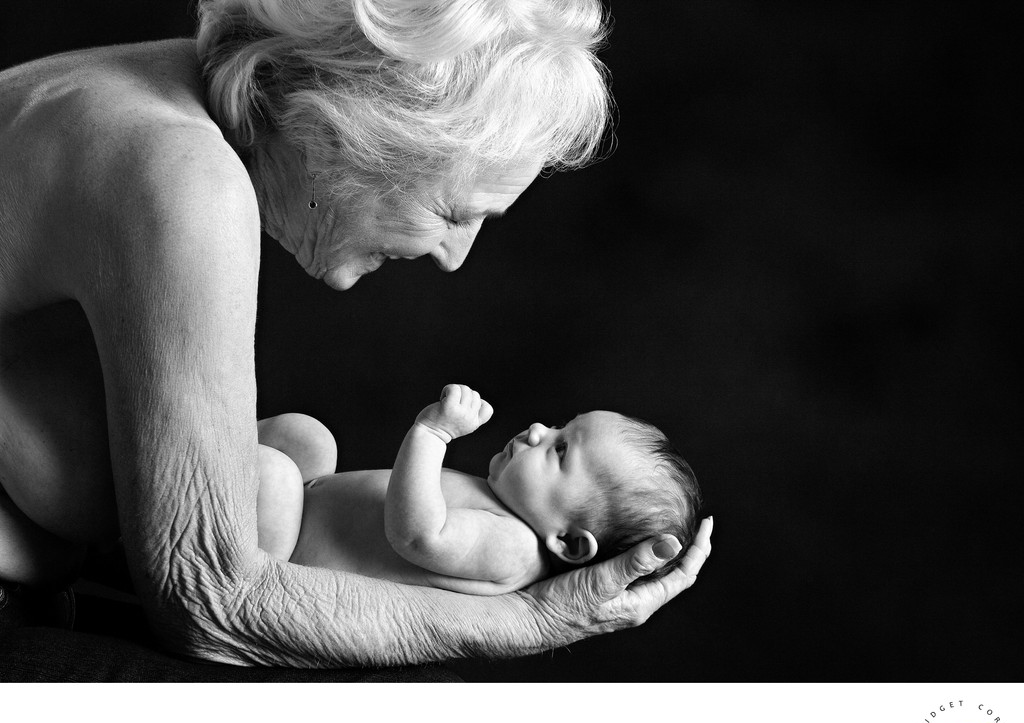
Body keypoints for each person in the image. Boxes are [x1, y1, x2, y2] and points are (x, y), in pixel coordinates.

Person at [0, 0, 711, 669]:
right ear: (352, 131)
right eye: (454, 211)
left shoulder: (163, 85)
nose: (454, 257)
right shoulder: (182, 180)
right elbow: (206, 600)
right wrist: (538, 619)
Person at [256, 384, 702, 595]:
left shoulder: (513, 548)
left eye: (560, 449)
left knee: (272, 474)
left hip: (284, 554)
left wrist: (432, 434)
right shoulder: (501, 507)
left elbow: (418, 535)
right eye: (559, 427)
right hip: (299, 508)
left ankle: (199, 470)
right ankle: (198, 449)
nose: (537, 430)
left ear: (567, 541)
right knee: (308, 437)